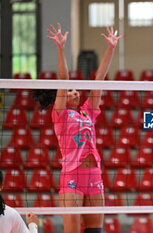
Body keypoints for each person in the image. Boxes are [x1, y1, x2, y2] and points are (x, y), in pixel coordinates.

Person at [33, 23, 121, 233]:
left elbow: (99, 80)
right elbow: (63, 79)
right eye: (70, 91)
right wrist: (61, 49)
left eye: (76, 91)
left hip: (94, 176)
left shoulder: (87, 111)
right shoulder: (60, 114)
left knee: (94, 230)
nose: (75, 92)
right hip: (72, 177)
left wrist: (111, 48)